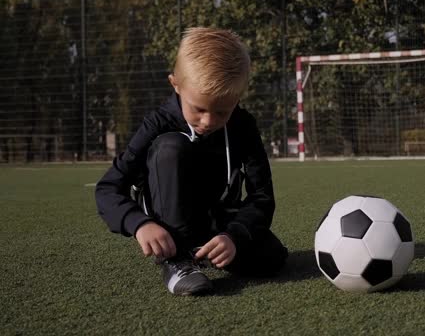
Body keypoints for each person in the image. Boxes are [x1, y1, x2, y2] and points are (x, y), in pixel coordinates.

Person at [95, 28, 288, 296]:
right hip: (170, 224)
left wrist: (234, 235)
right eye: (198, 108)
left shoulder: (243, 126)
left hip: (217, 220)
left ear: (238, 97)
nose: (208, 121)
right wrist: (139, 224)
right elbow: (108, 188)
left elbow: (262, 196)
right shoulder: (157, 123)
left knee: (272, 257)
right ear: (176, 85)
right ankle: (176, 261)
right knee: (170, 147)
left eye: (222, 111)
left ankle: (206, 250)